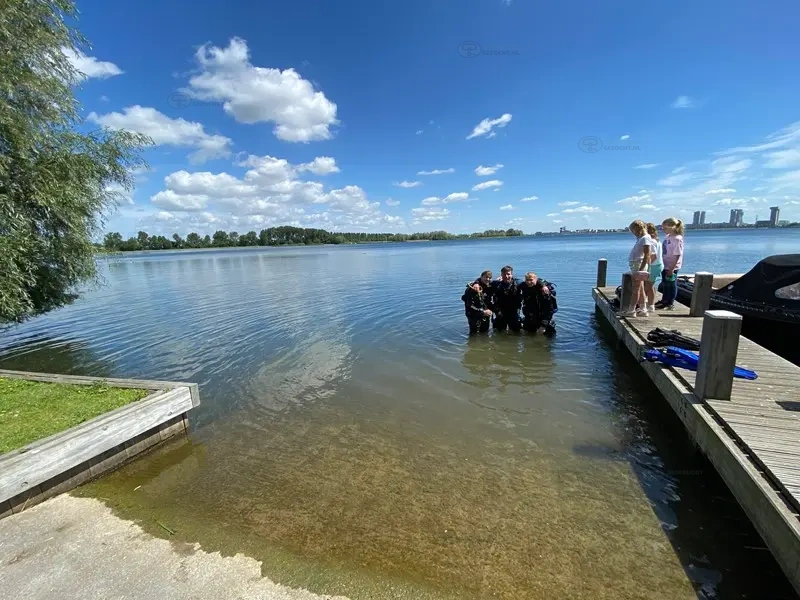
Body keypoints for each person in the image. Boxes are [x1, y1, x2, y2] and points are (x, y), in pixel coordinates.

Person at [622, 220, 651, 317]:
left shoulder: (645, 238)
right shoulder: (641, 238)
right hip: (636, 265)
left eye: (633, 230)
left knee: (635, 289)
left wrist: (641, 270)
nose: (633, 233)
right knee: (640, 288)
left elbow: (647, 254)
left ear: (637, 228)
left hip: (638, 265)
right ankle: (643, 309)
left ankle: (631, 310)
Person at [656, 217, 685, 311]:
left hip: (672, 266)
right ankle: (664, 300)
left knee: (671, 284)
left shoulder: (677, 239)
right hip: (665, 264)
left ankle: (670, 303)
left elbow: (677, 255)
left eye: (665, 228)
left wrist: (672, 269)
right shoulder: (668, 237)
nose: (663, 230)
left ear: (672, 227)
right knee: (665, 283)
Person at [490, 265, 522, 332]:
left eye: (508, 274)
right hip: (500, 312)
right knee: (499, 332)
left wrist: (543, 285)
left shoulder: (518, 283)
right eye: (504, 274)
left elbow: (534, 281)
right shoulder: (496, 283)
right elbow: (482, 281)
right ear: (501, 274)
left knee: (516, 332)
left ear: (512, 274)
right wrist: (476, 283)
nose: (506, 276)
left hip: (514, 311)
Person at [461, 270, 494, 335]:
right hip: (473, 314)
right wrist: (482, 312)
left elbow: (489, 301)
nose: (487, 279)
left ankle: (485, 344)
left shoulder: (489, 287)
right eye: (485, 277)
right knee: (474, 333)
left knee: (485, 332)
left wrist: (490, 310)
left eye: (489, 278)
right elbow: (469, 304)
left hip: (485, 313)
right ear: (481, 277)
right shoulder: (472, 288)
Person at [644, 222, 663, 313]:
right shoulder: (657, 240)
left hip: (653, 266)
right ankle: (649, 303)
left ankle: (651, 306)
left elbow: (653, 255)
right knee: (651, 285)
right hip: (657, 265)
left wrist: (647, 265)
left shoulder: (651, 241)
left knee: (649, 285)